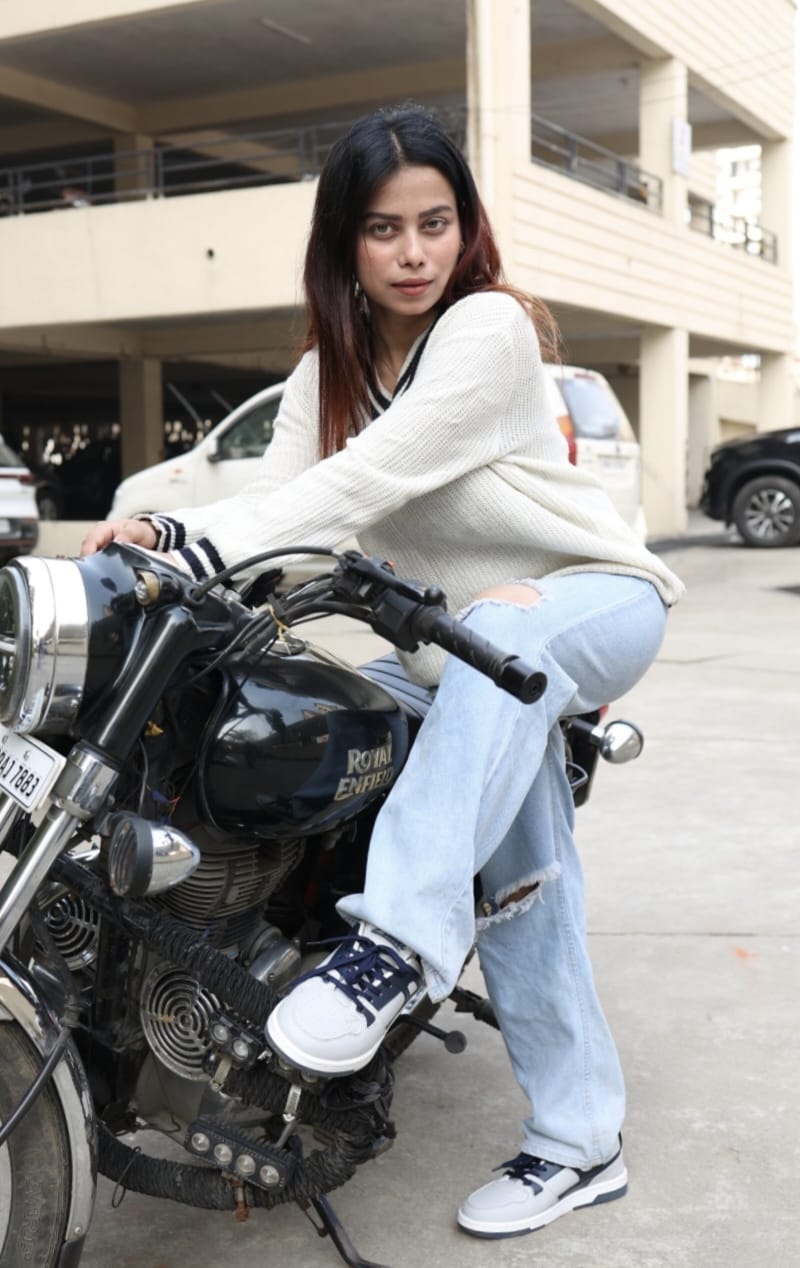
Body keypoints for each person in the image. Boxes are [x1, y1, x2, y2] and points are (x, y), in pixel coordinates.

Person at [82, 104, 684, 1240]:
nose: (413, 252)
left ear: (465, 231)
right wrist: (167, 540)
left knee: (508, 649)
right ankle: (579, 1139)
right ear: (344, 243)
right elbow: (284, 502)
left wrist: (201, 540)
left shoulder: (488, 328)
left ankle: (391, 950)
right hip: (462, 650)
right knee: (514, 863)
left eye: (435, 223)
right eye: (383, 229)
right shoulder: (331, 365)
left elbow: (364, 481)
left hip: (586, 602)